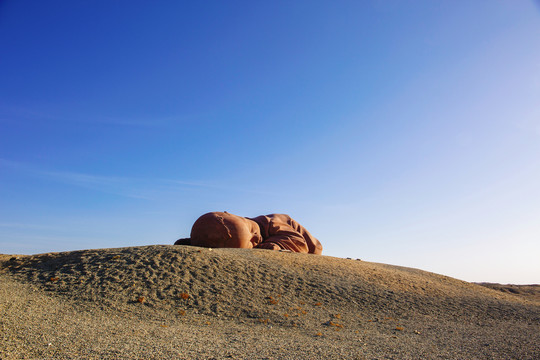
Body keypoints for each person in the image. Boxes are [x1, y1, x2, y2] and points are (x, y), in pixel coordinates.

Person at [174, 212, 322, 255]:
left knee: (315, 250)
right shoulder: (240, 229)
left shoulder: (273, 223)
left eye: (252, 230)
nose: (256, 237)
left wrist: (277, 245)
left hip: (309, 242)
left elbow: (299, 242)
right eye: (252, 242)